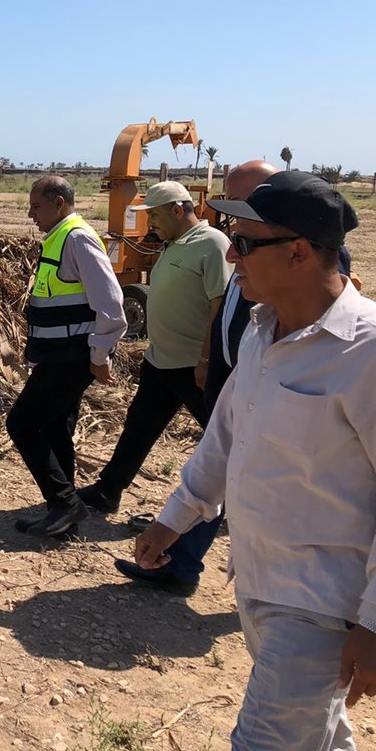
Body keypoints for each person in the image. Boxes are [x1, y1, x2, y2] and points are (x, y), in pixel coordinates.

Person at [133, 171, 376, 751]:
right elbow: (225, 439)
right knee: (319, 742)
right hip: (257, 581)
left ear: (298, 252)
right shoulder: (262, 332)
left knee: (264, 747)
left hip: (322, 605)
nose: (231, 255)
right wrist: (173, 519)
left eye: (244, 243)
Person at [114, 160, 276, 594]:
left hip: (223, 376)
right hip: (210, 373)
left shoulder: (232, 249)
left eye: (241, 202)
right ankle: (178, 557)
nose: (231, 217)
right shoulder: (229, 249)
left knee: (233, 464)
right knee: (209, 455)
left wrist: (206, 359)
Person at [77, 180, 231, 514]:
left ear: (177, 210)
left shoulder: (212, 243)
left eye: (155, 215)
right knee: (139, 426)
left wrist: (207, 359)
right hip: (160, 360)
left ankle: (241, 504)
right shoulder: (171, 244)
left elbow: (219, 307)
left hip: (192, 365)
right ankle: (108, 491)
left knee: (223, 437)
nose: (150, 223)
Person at [7, 176, 127, 537]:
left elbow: (111, 305)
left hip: (72, 358)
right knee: (56, 428)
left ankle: (65, 504)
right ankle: (63, 513)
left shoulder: (77, 238)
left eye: (36, 206)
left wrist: (99, 356)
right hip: (58, 355)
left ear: (58, 202)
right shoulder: (60, 237)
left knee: (22, 424)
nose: (31, 214)